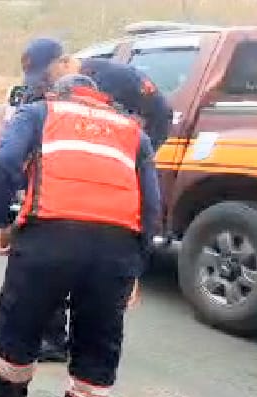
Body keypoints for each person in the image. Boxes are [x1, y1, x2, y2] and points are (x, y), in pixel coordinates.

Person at [0, 74, 161, 397]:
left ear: (60, 93)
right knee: (99, 346)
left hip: (47, 239)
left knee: (19, 329)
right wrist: (138, 265)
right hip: (113, 249)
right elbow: (151, 205)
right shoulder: (133, 132)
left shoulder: (39, 112)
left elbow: (5, 162)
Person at [19, 37, 174, 363]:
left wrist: (138, 156)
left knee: (93, 262)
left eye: (47, 75)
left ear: (65, 61)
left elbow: (162, 112)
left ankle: (83, 341)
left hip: (110, 181)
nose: (45, 84)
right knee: (59, 251)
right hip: (67, 184)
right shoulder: (50, 93)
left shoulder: (118, 77)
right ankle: (54, 338)